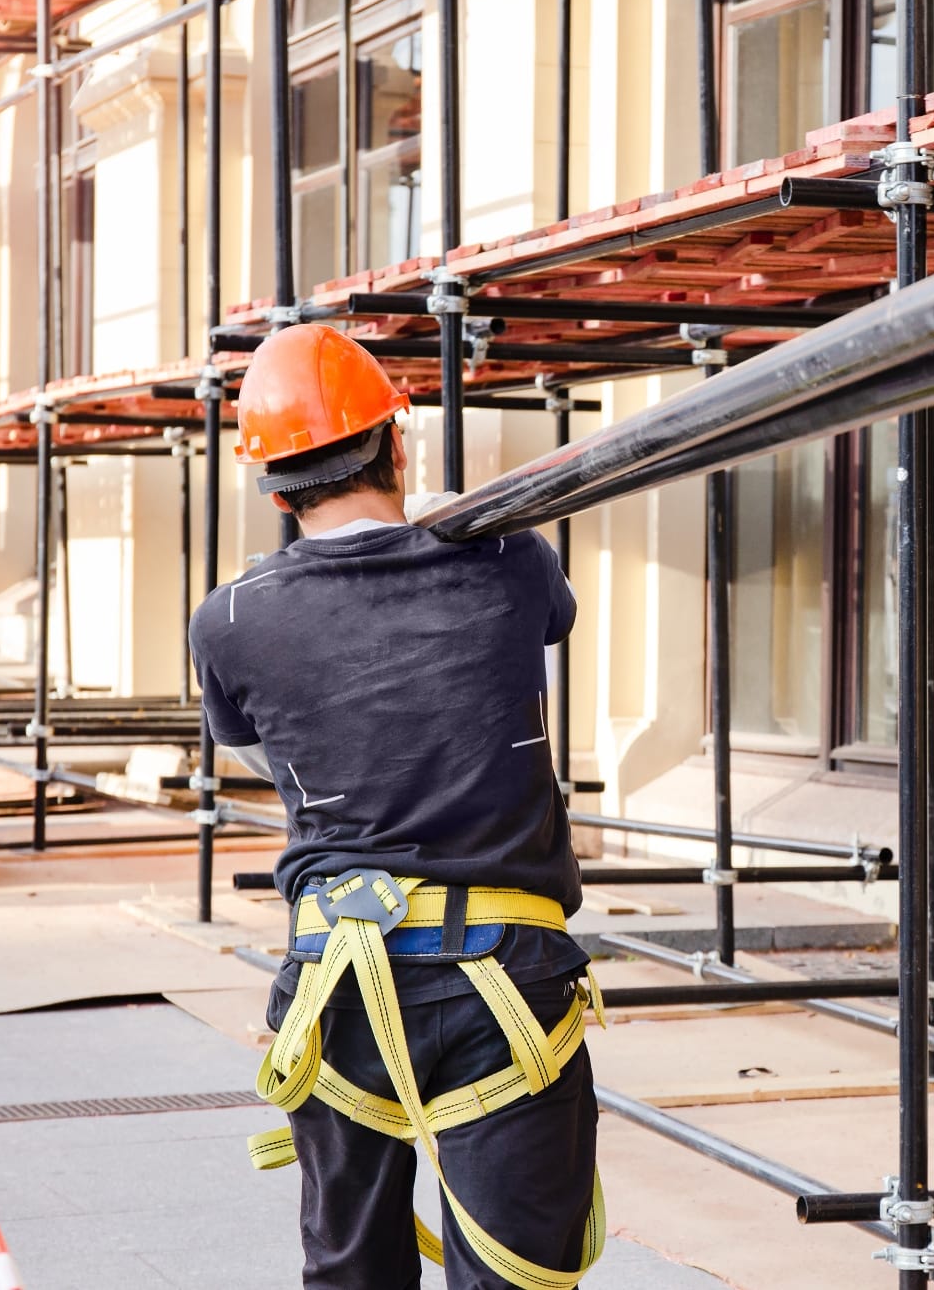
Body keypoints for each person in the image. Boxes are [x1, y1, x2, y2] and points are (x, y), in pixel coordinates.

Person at [188, 323, 600, 1290]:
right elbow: (550, 620)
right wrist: (460, 523)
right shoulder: (508, 561)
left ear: (274, 488)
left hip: (337, 977)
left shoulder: (232, 619)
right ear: (397, 443)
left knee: (352, 1272)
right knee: (516, 1278)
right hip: (504, 977)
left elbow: (254, 740)